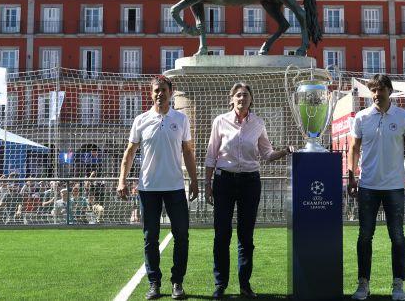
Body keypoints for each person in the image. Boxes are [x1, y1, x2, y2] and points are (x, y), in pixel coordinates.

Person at [204, 82, 293, 299]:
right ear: (232, 99)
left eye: (245, 95)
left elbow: (267, 154)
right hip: (224, 181)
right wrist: (207, 184)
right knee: (222, 234)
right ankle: (220, 284)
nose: (242, 98)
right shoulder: (220, 121)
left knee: (246, 236)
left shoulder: (258, 123)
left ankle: (245, 285)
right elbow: (211, 155)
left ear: (251, 99)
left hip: (250, 182)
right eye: (238, 95)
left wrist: (284, 151)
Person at [117, 75, 198, 300]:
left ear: (171, 92)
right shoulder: (141, 120)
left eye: (163, 89)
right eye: (156, 90)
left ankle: (177, 283)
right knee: (150, 237)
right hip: (148, 188)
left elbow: (188, 152)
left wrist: (194, 180)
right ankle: (154, 283)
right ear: (151, 94)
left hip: (175, 187)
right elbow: (130, 152)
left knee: (182, 236)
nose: (159, 93)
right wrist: (122, 180)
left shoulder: (181, 119)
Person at [347, 74, 405, 301]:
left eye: (380, 89)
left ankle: (398, 284)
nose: (376, 94)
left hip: (394, 186)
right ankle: (363, 284)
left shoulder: (403, 116)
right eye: (373, 90)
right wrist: (351, 177)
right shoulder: (361, 117)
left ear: (390, 90)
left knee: (397, 236)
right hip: (367, 185)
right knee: (364, 236)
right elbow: (354, 149)